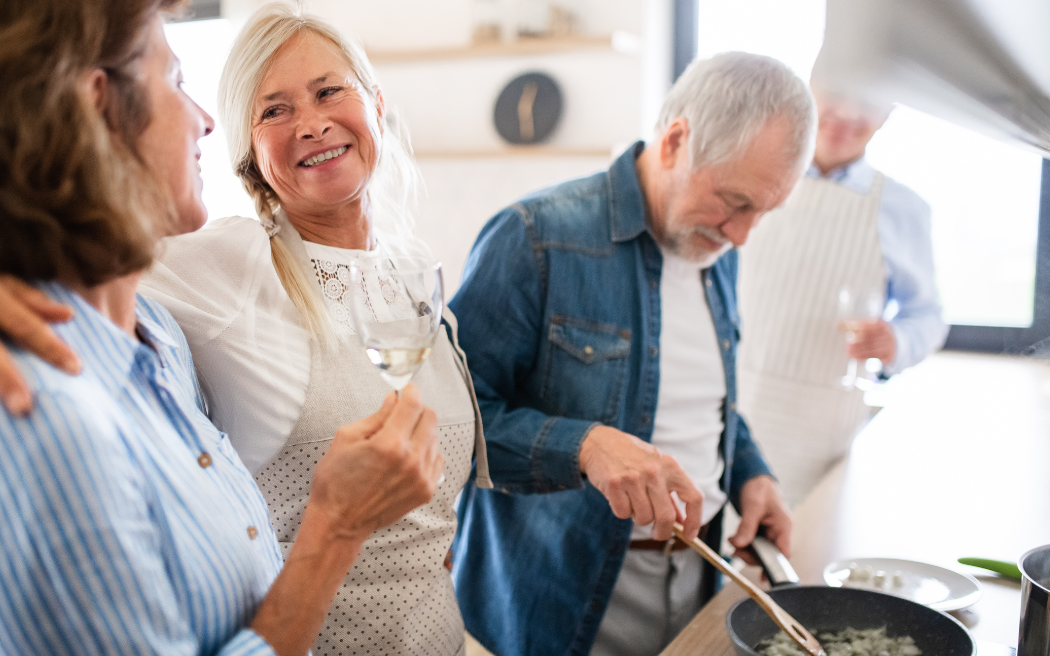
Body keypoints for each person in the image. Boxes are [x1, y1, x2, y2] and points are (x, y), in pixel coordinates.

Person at [0, 0, 444, 654]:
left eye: (330, 91)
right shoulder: (53, 417)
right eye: (177, 82)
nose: (205, 122)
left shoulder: (157, 340)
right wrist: (336, 529)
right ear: (97, 110)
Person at [448, 52, 817, 656]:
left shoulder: (715, 251)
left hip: (702, 572)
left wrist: (752, 472)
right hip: (564, 597)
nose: (742, 235)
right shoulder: (535, 238)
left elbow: (703, 399)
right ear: (675, 141)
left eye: (762, 213)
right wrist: (586, 446)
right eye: (736, 201)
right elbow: (443, 430)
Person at [736, 89, 948, 507]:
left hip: (822, 431)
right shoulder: (749, 176)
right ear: (806, 94)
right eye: (834, 97)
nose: (847, 115)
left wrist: (896, 340)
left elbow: (927, 316)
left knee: (799, 554)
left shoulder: (903, 208)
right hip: (729, 405)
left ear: (889, 112)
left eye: (867, 103)